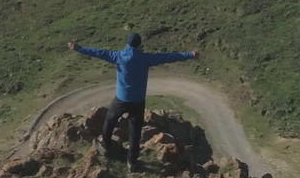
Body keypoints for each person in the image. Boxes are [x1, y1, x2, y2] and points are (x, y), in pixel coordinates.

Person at [66, 32, 201, 166]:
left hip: (121, 99)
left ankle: (106, 144)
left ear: (127, 43)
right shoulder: (145, 58)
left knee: (110, 120)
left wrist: (78, 48)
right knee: (135, 132)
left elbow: (98, 53)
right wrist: (190, 54)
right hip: (138, 101)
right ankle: (132, 161)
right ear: (139, 45)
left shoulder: (118, 56)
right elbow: (168, 57)